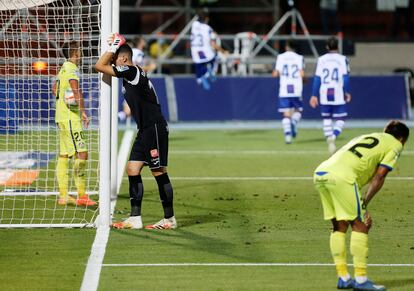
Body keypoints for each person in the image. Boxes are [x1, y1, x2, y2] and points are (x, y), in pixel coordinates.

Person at [313, 120, 409, 291]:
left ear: (385, 131)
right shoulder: (396, 144)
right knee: (361, 226)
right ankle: (361, 279)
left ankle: (343, 277)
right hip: (342, 177)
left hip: (321, 172)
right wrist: (364, 202)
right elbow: (380, 176)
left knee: (339, 226)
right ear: (401, 139)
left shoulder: (368, 136)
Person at [94, 33, 176, 229]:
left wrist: (114, 46)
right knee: (132, 169)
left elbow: (99, 66)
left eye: (115, 59)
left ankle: (169, 219)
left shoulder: (130, 70)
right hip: (144, 128)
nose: (113, 62)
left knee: (158, 171)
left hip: (154, 127)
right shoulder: (132, 73)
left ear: (123, 59)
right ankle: (135, 218)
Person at [52, 41, 96, 206]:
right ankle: (82, 195)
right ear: (75, 53)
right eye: (81, 51)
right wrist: (83, 110)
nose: (82, 53)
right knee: (82, 154)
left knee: (64, 155)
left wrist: (65, 98)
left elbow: (54, 89)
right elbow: (76, 90)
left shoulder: (63, 67)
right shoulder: (71, 68)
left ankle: (63, 195)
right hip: (71, 118)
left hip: (60, 117)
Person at [310, 37, 351, 154]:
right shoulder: (343, 59)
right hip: (337, 92)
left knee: (326, 118)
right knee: (341, 118)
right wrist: (347, 92)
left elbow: (317, 78)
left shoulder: (321, 59)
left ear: (327, 47)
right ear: (337, 46)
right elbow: (345, 78)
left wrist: (314, 95)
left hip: (324, 92)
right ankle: (333, 136)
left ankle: (329, 138)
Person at [272, 40, 304, 144]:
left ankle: (288, 137)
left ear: (286, 47)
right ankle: (294, 122)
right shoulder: (299, 58)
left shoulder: (280, 57)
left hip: (285, 88)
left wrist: (273, 71)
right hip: (296, 88)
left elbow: (275, 74)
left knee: (286, 114)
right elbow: (302, 74)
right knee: (298, 111)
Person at [190, 8, 228, 90]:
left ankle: (202, 76)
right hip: (207, 54)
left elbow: (198, 19)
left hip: (196, 55)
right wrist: (223, 51)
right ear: (207, 19)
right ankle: (210, 71)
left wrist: (200, 13)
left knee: (199, 78)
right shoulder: (208, 28)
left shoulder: (194, 25)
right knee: (218, 56)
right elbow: (213, 43)